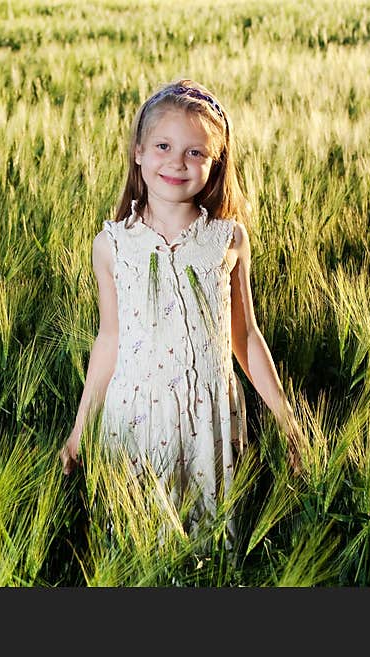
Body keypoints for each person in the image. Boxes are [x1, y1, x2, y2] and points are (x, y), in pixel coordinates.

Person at [59, 78, 303, 541]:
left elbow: (244, 336)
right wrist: (78, 429)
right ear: (138, 151)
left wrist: (286, 419)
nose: (177, 162)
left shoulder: (226, 240)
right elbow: (109, 340)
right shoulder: (112, 245)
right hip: (134, 420)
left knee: (209, 546)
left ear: (216, 162)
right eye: (164, 146)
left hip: (208, 420)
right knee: (133, 545)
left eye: (196, 152)